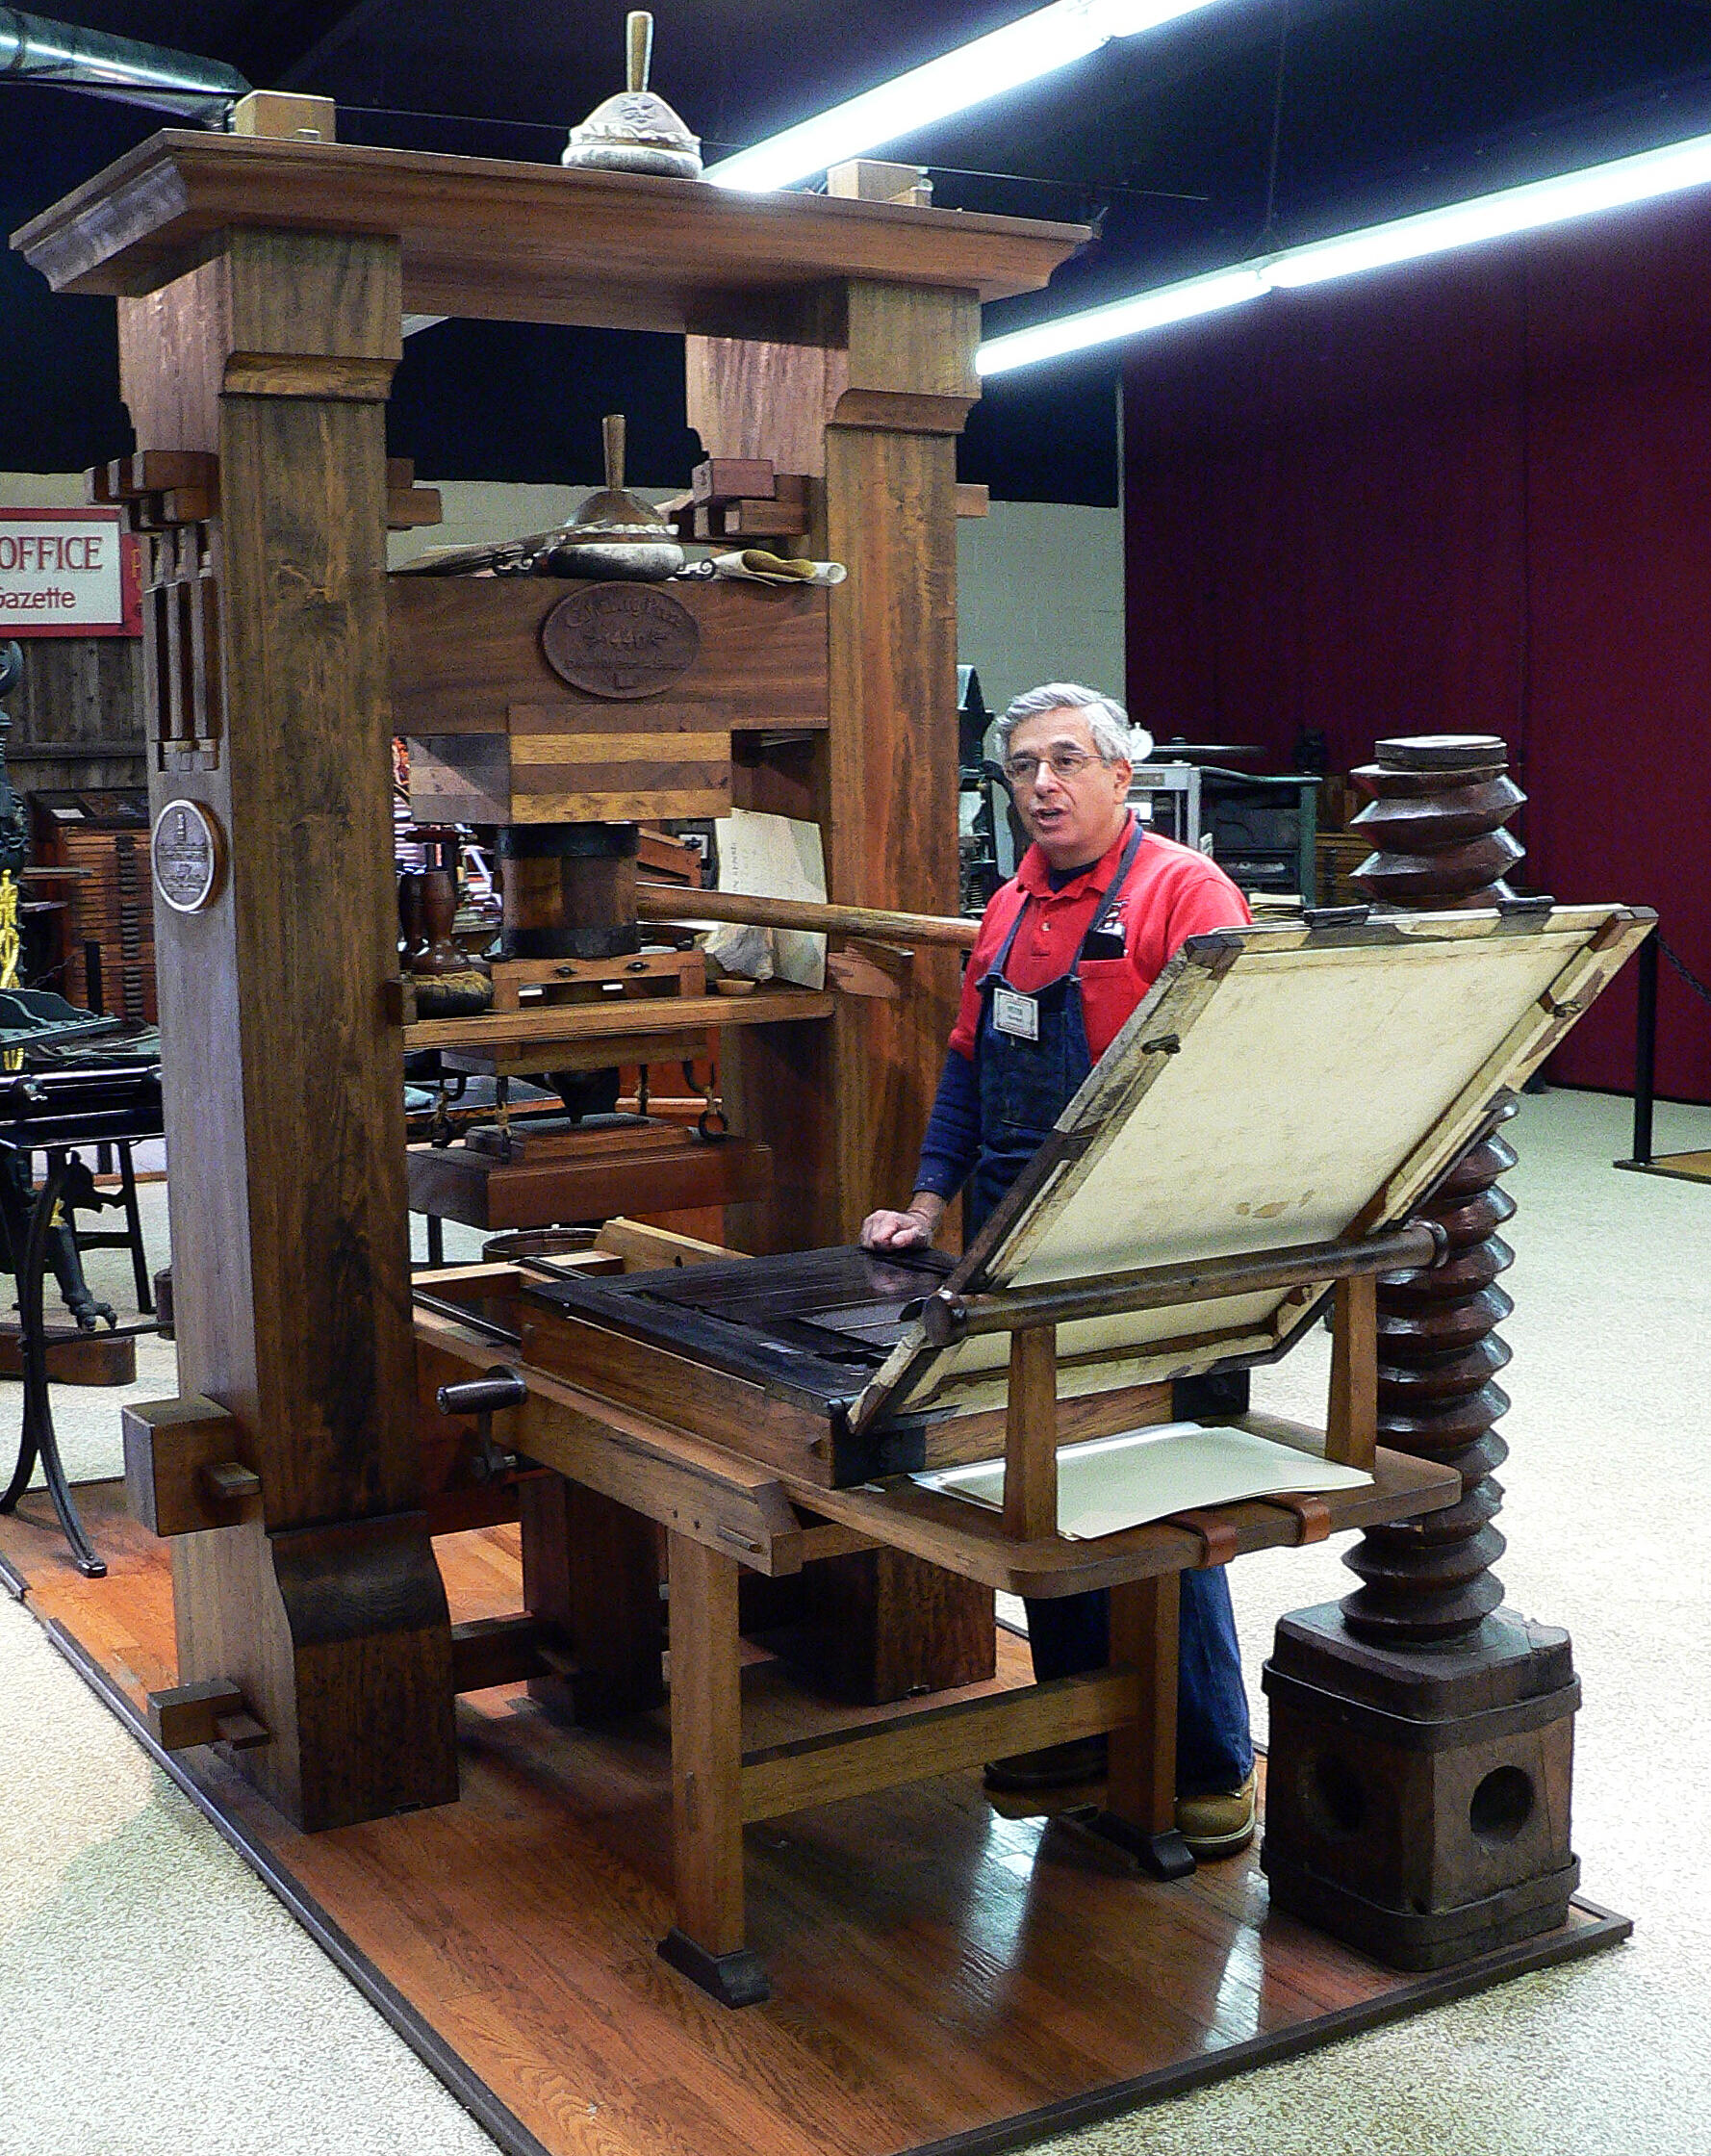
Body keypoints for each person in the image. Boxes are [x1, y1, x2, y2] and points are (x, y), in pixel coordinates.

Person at [859, 681, 1257, 1859]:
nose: (1042, 782)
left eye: (1067, 759)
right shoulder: (1005, 906)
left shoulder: (1183, 891)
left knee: (1153, 1487)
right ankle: (1085, 1727)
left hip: (1134, 1249)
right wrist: (924, 1203)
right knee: (1036, 1474)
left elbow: (1224, 1082)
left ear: (1120, 775)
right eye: (1023, 763)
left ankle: (1209, 1759)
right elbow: (967, 1072)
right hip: (1009, 1237)